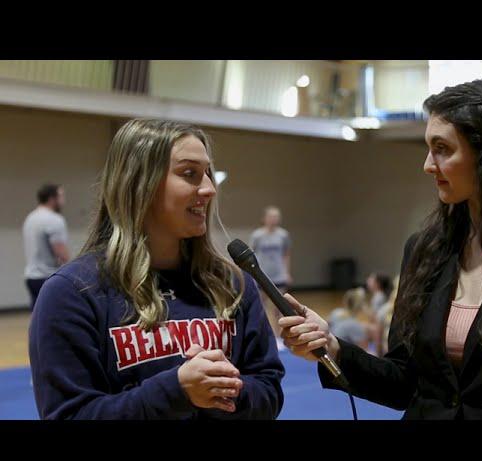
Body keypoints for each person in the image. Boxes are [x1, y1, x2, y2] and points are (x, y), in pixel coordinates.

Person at [278, 77, 482, 420]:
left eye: (442, 148)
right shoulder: (424, 250)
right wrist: (332, 348)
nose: (428, 165)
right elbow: (403, 383)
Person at [28, 119, 284, 420]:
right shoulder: (72, 293)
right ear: (139, 183)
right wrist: (175, 391)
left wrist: (225, 389)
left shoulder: (233, 284)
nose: (209, 189)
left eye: (208, 174)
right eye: (190, 174)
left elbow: (269, 391)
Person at [22, 183, 70, 310]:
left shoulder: (30, 218)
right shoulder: (54, 220)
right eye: (61, 196)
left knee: (38, 318)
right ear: (52, 199)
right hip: (48, 277)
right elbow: (62, 254)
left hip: (31, 277)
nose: (63, 201)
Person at [250, 206, 292, 338]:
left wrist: (287, 272)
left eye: (276, 216)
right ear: (264, 218)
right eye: (271, 216)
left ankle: (280, 336)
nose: (274, 219)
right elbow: (251, 254)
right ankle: (264, 335)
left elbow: (286, 255)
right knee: (260, 307)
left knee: (278, 308)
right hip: (262, 276)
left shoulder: (283, 235)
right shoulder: (257, 235)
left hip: (278, 276)